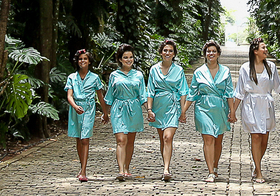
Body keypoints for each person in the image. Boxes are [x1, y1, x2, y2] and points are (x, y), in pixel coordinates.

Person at [230, 37, 280, 184]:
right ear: (255, 51)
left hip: (266, 104)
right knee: (256, 137)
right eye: (263, 48)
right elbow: (239, 91)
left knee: (264, 139)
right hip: (251, 104)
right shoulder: (245, 68)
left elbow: (278, 86)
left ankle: (256, 162)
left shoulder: (271, 66)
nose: (266, 50)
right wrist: (233, 111)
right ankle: (258, 171)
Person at [102, 44, 152, 181]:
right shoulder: (114, 75)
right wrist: (105, 113)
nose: (128, 60)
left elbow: (142, 95)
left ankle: (127, 167)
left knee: (130, 140)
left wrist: (148, 110)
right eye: (125, 57)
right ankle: (121, 170)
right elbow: (109, 96)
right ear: (120, 59)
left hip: (134, 108)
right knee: (120, 140)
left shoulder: (138, 75)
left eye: (131, 57)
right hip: (118, 108)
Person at [190, 40, 236, 182]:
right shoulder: (198, 72)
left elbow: (229, 92)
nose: (211, 53)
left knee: (218, 140)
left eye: (213, 51)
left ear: (218, 54)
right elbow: (192, 92)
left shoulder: (225, 71)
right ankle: (210, 171)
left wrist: (232, 111)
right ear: (205, 54)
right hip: (203, 107)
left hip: (220, 107)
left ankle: (215, 167)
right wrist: (183, 111)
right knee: (208, 138)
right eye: (208, 51)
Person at [146, 39, 189, 182]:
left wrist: (183, 111)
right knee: (162, 138)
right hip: (158, 106)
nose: (167, 53)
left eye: (170, 50)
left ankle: (166, 169)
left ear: (174, 53)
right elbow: (150, 91)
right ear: (160, 52)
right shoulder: (153, 69)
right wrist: (149, 109)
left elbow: (183, 91)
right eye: (165, 50)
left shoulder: (179, 70)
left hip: (173, 106)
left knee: (168, 137)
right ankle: (165, 163)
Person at [64, 49, 106, 182]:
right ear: (77, 61)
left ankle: (83, 170)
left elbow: (100, 96)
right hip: (75, 109)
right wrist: (75, 106)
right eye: (80, 59)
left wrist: (105, 112)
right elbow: (69, 95)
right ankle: (81, 166)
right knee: (78, 138)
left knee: (85, 139)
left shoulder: (94, 78)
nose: (83, 61)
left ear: (89, 62)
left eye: (85, 59)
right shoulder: (72, 77)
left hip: (88, 109)